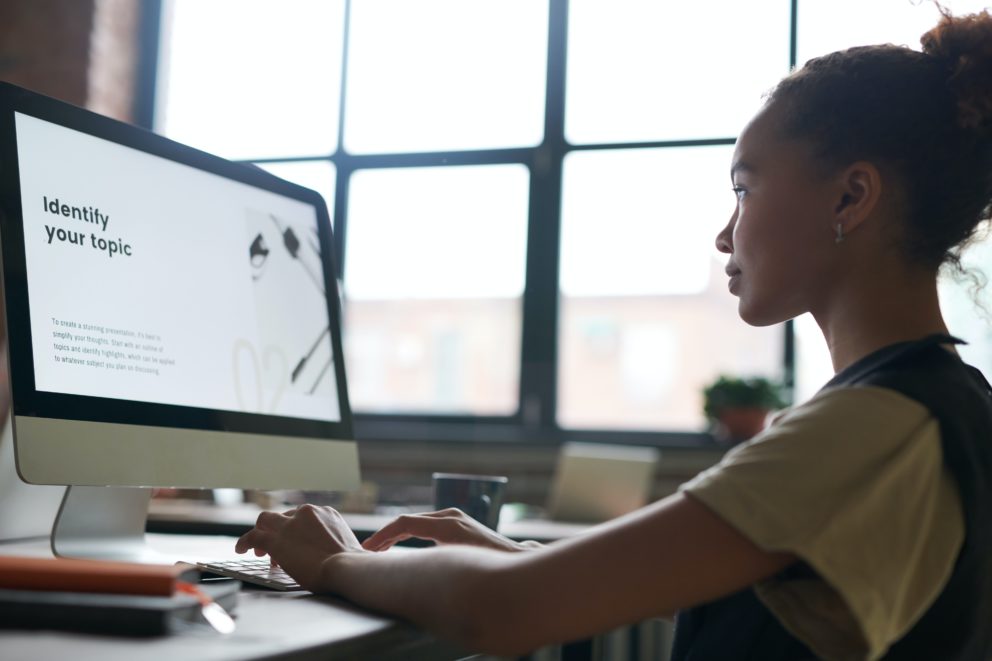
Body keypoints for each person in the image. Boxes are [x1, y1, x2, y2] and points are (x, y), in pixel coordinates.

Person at [235, 9, 992, 659]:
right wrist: (511, 554)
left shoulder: (874, 427)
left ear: (852, 195)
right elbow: (768, 608)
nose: (725, 234)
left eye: (744, 187)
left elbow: (507, 611)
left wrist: (333, 560)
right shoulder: (946, 405)